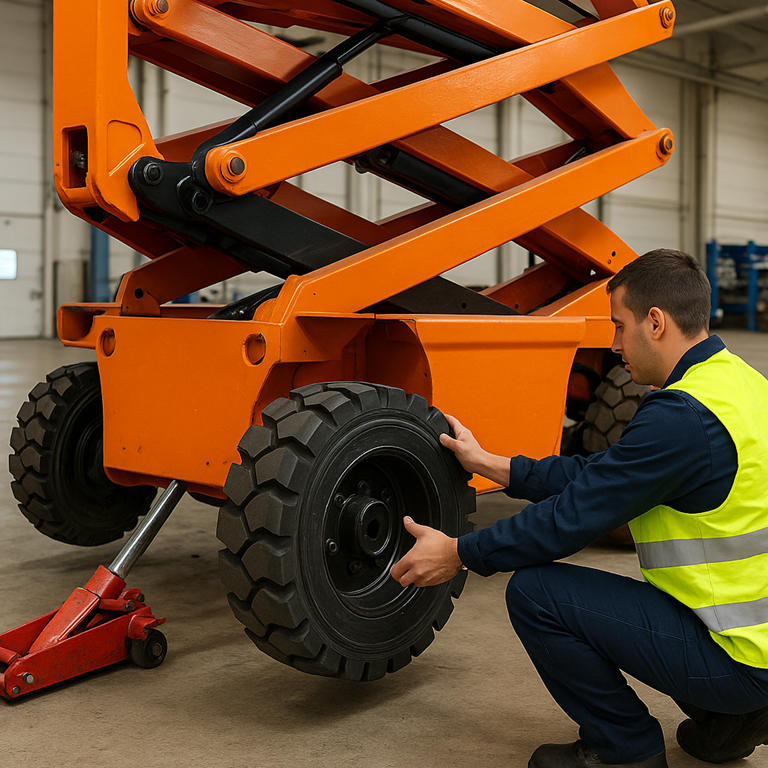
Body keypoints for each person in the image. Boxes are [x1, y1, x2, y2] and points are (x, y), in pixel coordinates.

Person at [391, 249, 768, 768]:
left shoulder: (681, 417)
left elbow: (571, 519)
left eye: (619, 326)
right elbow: (603, 477)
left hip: (739, 657)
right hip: (756, 639)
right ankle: (733, 722)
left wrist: (459, 552)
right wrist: (493, 464)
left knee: (536, 593)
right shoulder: (741, 386)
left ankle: (626, 751)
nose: (613, 346)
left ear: (656, 323)